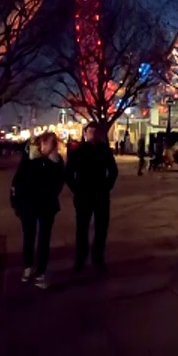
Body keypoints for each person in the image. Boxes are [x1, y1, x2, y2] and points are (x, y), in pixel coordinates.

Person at [10, 132, 65, 289]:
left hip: (47, 205)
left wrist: (50, 193)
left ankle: (41, 271)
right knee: (29, 236)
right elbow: (18, 179)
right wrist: (16, 202)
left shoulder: (57, 161)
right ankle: (28, 266)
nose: (50, 146)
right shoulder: (30, 159)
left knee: (44, 239)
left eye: (53, 143)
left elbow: (59, 182)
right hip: (29, 204)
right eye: (48, 143)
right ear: (41, 144)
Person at [66, 121, 119, 273]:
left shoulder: (105, 151)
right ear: (85, 133)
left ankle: (98, 259)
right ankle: (80, 259)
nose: (93, 135)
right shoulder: (78, 152)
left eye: (96, 133)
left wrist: (107, 187)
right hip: (83, 195)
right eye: (90, 132)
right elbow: (68, 173)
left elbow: (113, 171)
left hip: (101, 195)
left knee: (101, 229)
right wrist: (76, 189)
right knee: (82, 229)